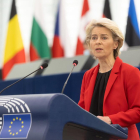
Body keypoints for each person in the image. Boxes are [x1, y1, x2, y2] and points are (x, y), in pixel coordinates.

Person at [78, 18, 140, 140]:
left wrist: (111, 119)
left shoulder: (130, 72)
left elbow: (138, 110)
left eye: (104, 37)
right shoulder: (88, 76)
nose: (98, 42)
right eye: (94, 38)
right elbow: (81, 110)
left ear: (115, 44)